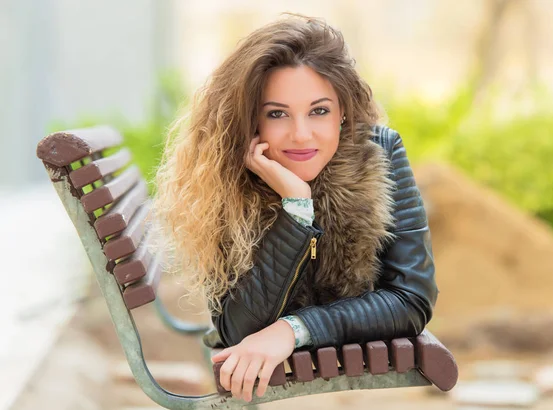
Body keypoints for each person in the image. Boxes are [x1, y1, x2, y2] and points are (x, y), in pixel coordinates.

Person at [151, 13, 438, 404]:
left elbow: (412, 300)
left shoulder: (379, 153)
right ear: (251, 122)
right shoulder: (225, 178)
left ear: (344, 112)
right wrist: (296, 208)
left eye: (318, 111)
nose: (301, 135)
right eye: (277, 114)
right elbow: (238, 329)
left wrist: (293, 329)